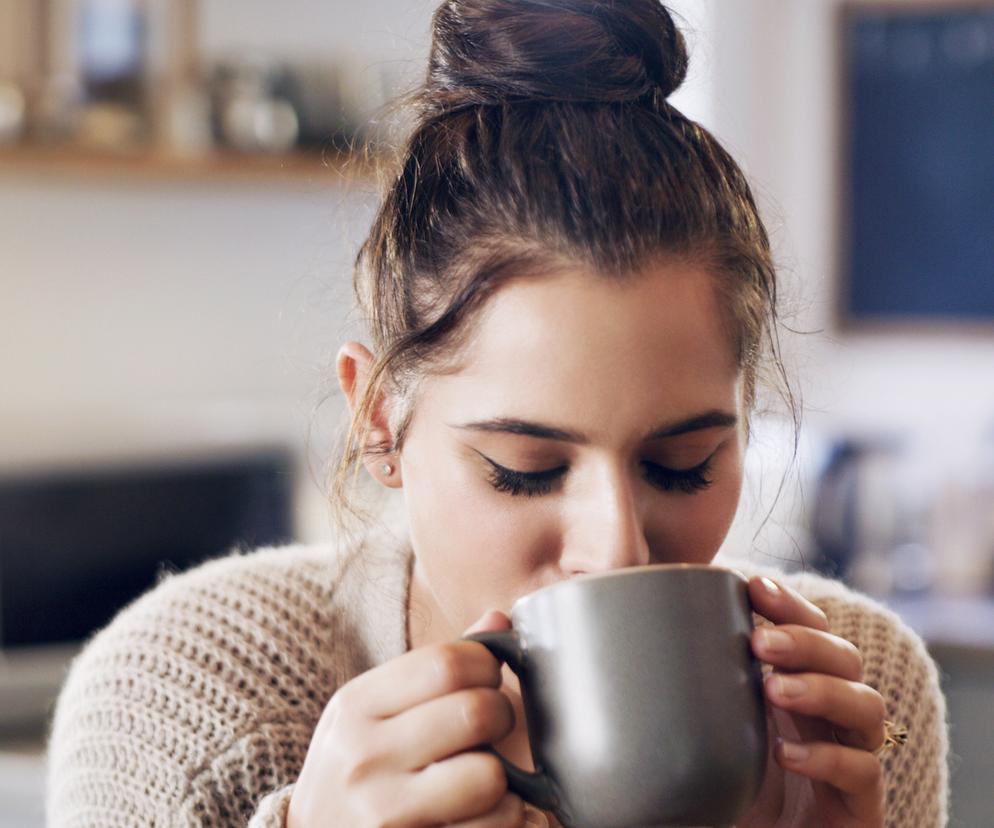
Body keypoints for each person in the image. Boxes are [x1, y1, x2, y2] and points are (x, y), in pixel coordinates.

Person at [46, 1, 949, 826]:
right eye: (525, 469)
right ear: (378, 420)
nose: (614, 551)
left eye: (682, 465)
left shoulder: (858, 699)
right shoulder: (185, 698)